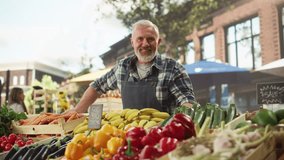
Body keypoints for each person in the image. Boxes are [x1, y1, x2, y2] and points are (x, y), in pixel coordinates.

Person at [69, 19, 195, 114]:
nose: (145, 44)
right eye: (140, 39)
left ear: (158, 42)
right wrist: (77, 111)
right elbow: (96, 87)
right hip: (129, 138)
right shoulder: (122, 67)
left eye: (150, 39)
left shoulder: (174, 69)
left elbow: (187, 101)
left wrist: (182, 120)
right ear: (132, 42)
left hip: (162, 139)